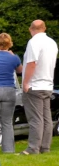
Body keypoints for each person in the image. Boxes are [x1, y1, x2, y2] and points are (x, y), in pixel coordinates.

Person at [21, 20, 58, 155]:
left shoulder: (34, 42)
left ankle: (33, 148)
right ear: (44, 28)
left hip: (34, 85)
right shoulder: (52, 43)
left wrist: (25, 83)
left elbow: (31, 63)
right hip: (47, 84)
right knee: (46, 118)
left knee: (35, 118)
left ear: (31, 29)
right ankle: (45, 147)